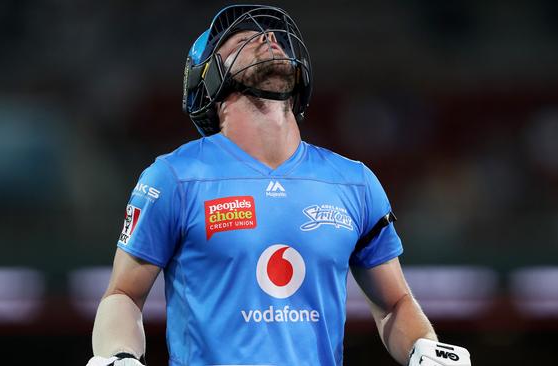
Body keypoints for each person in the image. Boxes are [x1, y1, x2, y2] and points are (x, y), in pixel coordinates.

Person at [87, 5, 471, 366]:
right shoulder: (173, 177)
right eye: (242, 41)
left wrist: (424, 348)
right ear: (209, 79)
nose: (268, 38)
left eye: (272, 37)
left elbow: (395, 304)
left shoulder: (354, 182)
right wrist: (119, 356)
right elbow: (123, 295)